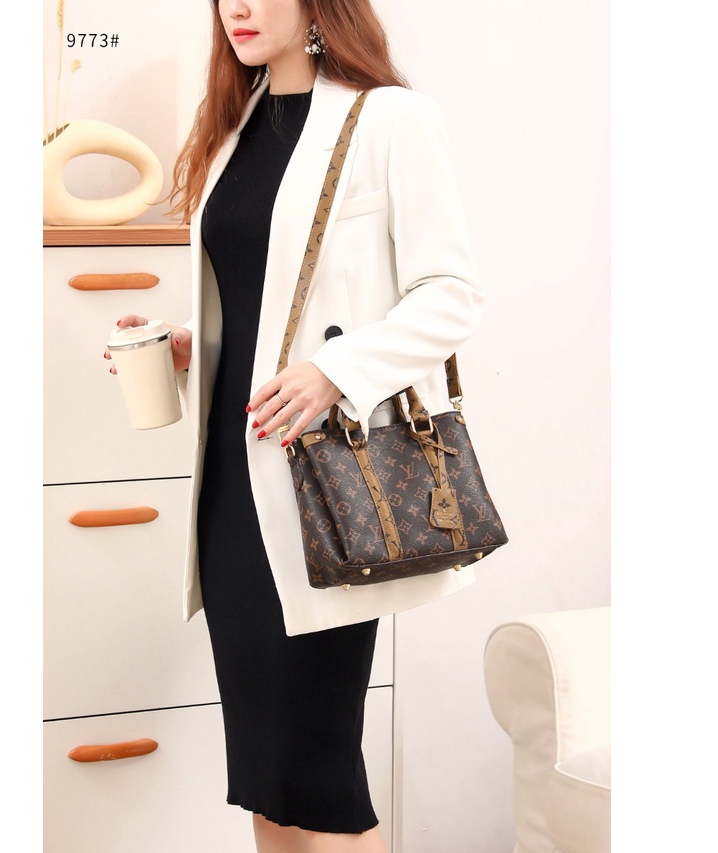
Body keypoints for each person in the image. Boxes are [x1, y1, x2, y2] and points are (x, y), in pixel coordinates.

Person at [106, 1, 485, 850]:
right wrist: (189, 342)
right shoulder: (235, 125)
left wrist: (334, 371)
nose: (236, 7)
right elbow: (264, 299)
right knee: (269, 779)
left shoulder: (388, 118)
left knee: (319, 778)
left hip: (320, 491)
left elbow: (452, 295)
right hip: (230, 488)